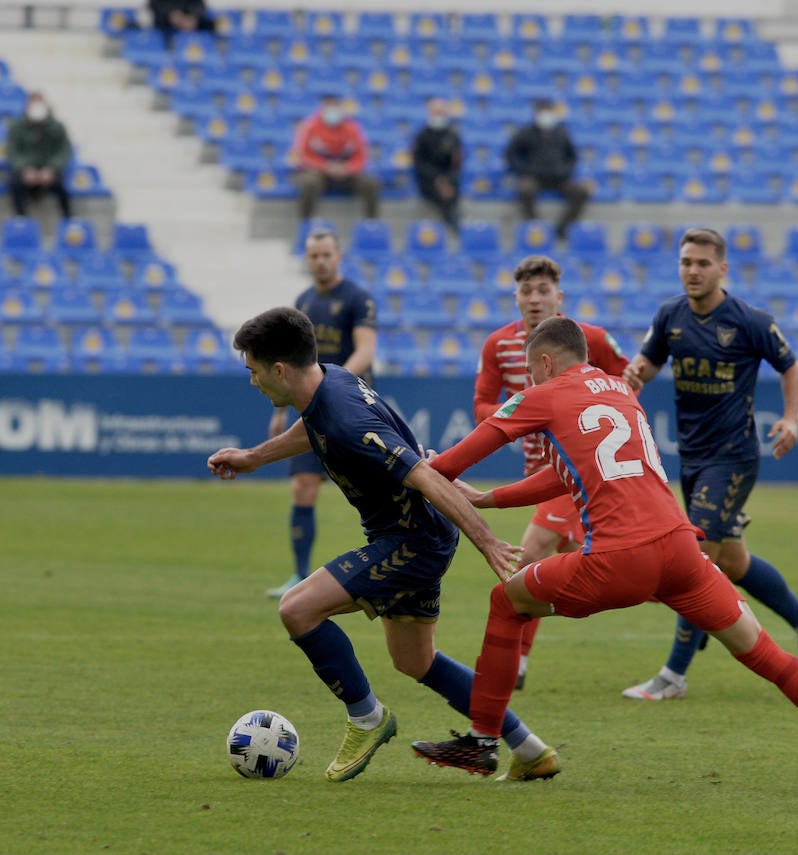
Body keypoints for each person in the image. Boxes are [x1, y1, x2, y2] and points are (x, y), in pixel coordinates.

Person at [411, 317, 798, 791]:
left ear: (544, 362)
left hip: (617, 560)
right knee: (768, 656)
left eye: (530, 371)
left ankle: (482, 741)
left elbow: (450, 464)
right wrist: (490, 499)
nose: (530, 379)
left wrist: (431, 467)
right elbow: (575, 471)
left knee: (507, 602)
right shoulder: (619, 390)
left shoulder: (543, 394)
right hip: (681, 552)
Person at [207, 307, 559, 783]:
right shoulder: (330, 380)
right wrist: (254, 457)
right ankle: (530, 749)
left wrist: (488, 542)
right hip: (417, 534)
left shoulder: (347, 420)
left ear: (281, 370)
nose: (253, 382)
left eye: (254, 371)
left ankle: (367, 718)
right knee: (414, 660)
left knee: (298, 609)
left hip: (413, 541)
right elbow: (313, 426)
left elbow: (426, 477)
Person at [617, 227, 798, 702]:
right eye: (686, 262)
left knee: (695, 558)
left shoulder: (749, 321)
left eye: (702, 263)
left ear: (722, 269)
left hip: (733, 457)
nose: (693, 271)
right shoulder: (670, 315)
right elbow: (648, 363)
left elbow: (791, 367)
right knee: (733, 561)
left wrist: (792, 419)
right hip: (693, 457)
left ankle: (674, 675)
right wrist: (634, 375)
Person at [473, 254, 630, 689]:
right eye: (527, 291)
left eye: (543, 291)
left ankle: (513, 665)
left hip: (580, 469)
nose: (535, 299)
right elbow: (482, 403)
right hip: (541, 471)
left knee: (530, 557)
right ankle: (699, 583)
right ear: (516, 297)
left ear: (559, 297)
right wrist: (518, 415)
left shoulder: (586, 338)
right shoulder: (498, 344)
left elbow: (625, 379)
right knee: (607, 566)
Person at [264, 230, 377, 599]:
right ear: (307, 259)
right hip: (311, 410)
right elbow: (290, 363)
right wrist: (281, 410)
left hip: (351, 409)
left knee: (375, 493)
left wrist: (333, 386)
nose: (321, 261)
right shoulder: (304, 301)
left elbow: (365, 352)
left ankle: (386, 566)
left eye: (327, 254)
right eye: (314, 255)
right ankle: (299, 574)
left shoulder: (358, 298)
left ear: (338, 256)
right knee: (302, 486)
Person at [504, 98, 590, 241]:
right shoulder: (526, 133)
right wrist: (523, 171)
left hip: (560, 179)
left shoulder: (561, 133)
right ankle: (536, 226)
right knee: (525, 190)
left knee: (581, 192)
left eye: (548, 111)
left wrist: (565, 171)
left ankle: (562, 229)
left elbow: (573, 157)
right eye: (542, 111)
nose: (546, 115)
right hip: (535, 177)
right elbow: (510, 155)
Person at [290, 94, 380, 222]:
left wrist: (347, 168)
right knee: (309, 183)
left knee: (370, 183)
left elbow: (361, 157)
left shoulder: (352, 128)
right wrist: (325, 167)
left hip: (346, 174)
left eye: (335, 105)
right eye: (328, 106)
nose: (332, 110)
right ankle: (306, 223)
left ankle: (371, 224)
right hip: (318, 173)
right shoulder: (309, 127)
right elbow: (302, 156)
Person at [6, 92, 73, 219]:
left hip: (49, 171)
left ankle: (68, 220)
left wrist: (52, 168)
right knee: (15, 185)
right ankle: (21, 221)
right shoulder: (17, 127)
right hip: (25, 172)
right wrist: (24, 169)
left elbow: (64, 151)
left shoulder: (57, 127)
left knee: (62, 186)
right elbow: (12, 152)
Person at [411, 97, 462, 233]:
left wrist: (448, 179)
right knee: (443, 195)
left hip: (449, 180)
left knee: (451, 191)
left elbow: (457, 162)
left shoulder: (452, 135)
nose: (438, 115)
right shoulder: (422, 136)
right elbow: (419, 163)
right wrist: (437, 179)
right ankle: (453, 226)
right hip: (429, 181)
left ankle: (454, 225)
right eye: (435, 112)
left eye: (441, 112)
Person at [149, 0, 216, 46]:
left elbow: (200, 5)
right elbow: (154, 5)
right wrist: (170, 15)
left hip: (191, 21)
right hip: (166, 27)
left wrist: (191, 17)